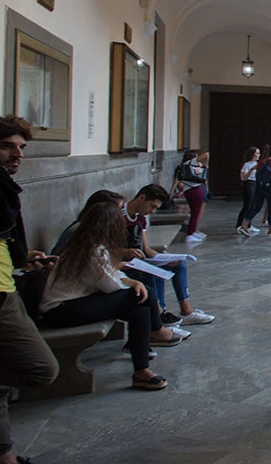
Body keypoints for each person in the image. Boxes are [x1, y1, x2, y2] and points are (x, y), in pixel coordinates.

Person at [40, 203, 184, 392]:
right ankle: (157, 331)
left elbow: (109, 275)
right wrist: (134, 284)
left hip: (74, 304)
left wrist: (131, 282)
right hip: (61, 310)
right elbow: (110, 286)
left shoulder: (89, 244)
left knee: (140, 311)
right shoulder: (92, 250)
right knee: (142, 293)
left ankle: (141, 371)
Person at [0, 116, 64, 464]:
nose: (17, 154)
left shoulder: (2, 185)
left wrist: (23, 258)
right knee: (42, 368)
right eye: (7, 146)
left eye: (21, 147)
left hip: (5, 283)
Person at [122, 183, 212, 327]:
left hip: (139, 259)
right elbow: (106, 249)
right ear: (141, 198)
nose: (152, 211)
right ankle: (160, 315)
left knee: (180, 263)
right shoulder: (119, 215)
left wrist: (164, 258)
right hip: (124, 263)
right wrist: (125, 252)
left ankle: (186, 311)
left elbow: (146, 248)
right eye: (152, 206)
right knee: (152, 273)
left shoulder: (141, 217)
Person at [243, 145, 271, 235]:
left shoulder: (262, 161)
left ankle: (245, 224)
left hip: (260, 186)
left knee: (257, 207)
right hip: (269, 186)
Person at [174, 149, 208, 242]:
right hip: (195, 190)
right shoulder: (190, 163)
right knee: (195, 213)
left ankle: (193, 232)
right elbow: (206, 154)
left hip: (189, 190)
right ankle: (190, 234)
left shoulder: (186, 166)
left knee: (194, 213)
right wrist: (206, 165)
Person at [235, 147, 262, 235]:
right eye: (257, 153)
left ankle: (248, 224)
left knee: (253, 205)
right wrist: (251, 170)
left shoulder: (257, 163)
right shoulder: (247, 164)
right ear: (252, 154)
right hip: (249, 184)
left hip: (255, 183)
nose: (259, 155)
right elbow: (243, 177)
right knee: (248, 205)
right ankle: (239, 225)